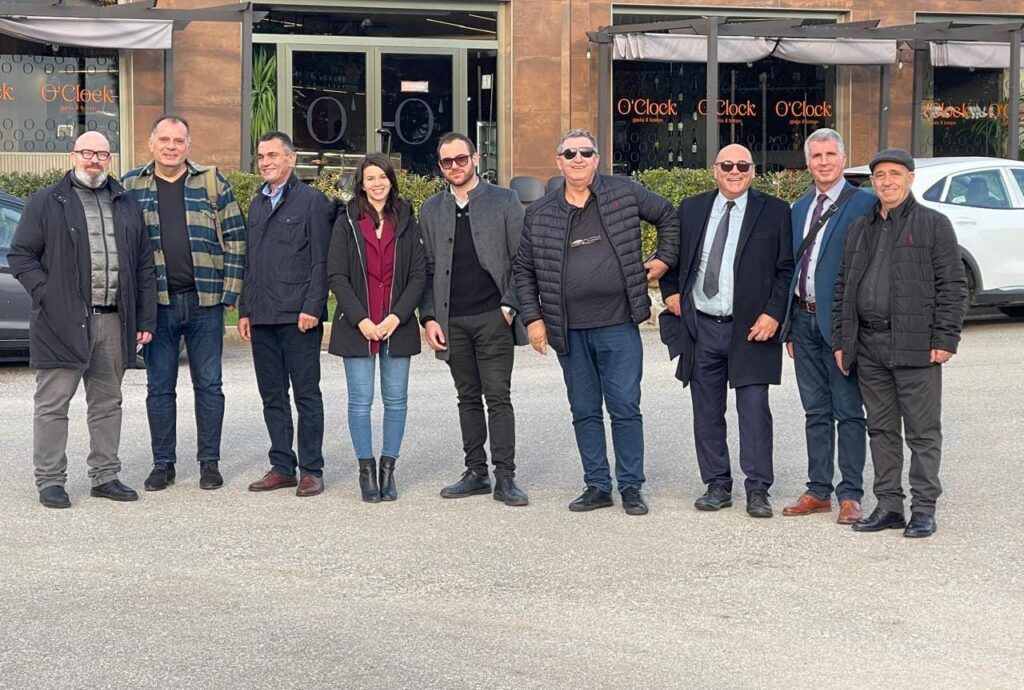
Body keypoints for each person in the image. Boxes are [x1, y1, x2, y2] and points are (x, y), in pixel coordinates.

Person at [514, 128, 678, 516]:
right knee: (584, 409)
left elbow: (668, 215)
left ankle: (631, 486)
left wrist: (664, 259)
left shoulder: (624, 192)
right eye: (569, 153)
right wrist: (533, 319)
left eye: (585, 153)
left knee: (625, 406)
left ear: (597, 159)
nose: (578, 159)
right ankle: (597, 485)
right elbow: (524, 270)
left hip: (618, 323)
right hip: (568, 329)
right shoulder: (540, 212)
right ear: (558, 162)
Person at [9, 131, 156, 508]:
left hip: (113, 320)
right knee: (53, 404)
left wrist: (145, 317)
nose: (94, 160)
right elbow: (21, 256)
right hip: (62, 320)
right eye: (87, 152)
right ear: (73, 155)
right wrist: (47, 293)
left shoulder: (126, 203)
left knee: (107, 403)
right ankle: (50, 480)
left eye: (102, 154)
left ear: (110, 160)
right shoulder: (47, 201)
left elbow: (143, 264)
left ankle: (105, 476)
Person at [833, 148, 967, 538]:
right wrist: (843, 340)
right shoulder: (860, 227)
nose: (886, 181)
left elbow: (953, 286)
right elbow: (843, 286)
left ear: (910, 178)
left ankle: (923, 508)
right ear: (872, 182)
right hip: (869, 344)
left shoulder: (933, 224)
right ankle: (889, 505)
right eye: (879, 175)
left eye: (894, 174)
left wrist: (946, 338)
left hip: (916, 345)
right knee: (881, 429)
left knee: (922, 432)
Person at [659, 144, 793, 518]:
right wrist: (671, 294)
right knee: (706, 411)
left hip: (752, 329)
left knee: (754, 411)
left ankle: (758, 488)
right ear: (715, 170)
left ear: (753, 171)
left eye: (743, 166)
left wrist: (773, 314)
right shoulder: (692, 208)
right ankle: (717, 484)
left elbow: (786, 269)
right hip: (702, 327)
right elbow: (672, 258)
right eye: (728, 165)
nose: (735, 171)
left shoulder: (775, 211)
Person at [121, 115, 246, 492]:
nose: (171, 147)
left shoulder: (211, 181)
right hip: (156, 305)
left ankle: (209, 463)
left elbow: (237, 238)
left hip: (204, 302)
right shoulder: (131, 185)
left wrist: (230, 293)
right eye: (165, 140)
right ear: (151, 143)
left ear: (189, 145)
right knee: (159, 387)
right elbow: (123, 245)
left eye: (178, 141)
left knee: (209, 385)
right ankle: (163, 464)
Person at [418, 132, 529, 507]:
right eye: (447, 162)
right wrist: (429, 316)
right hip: (452, 321)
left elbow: (522, 259)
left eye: (461, 159)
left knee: (498, 397)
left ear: (476, 158)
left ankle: (505, 477)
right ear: (440, 166)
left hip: (494, 316)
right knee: (466, 397)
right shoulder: (431, 210)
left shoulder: (505, 200)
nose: (455, 166)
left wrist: (510, 305)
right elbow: (427, 268)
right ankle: (476, 472)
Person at [780, 129, 876, 524]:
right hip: (802, 320)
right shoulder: (799, 207)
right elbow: (792, 267)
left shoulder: (865, 203)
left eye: (830, 154)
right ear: (808, 162)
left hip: (841, 323)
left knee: (849, 410)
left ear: (843, 158)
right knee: (815, 410)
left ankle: (850, 494)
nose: (823, 162)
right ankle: (818, 490)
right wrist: (788, 326)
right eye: (816, 156)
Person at [327, 153, 426, 502]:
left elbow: (418, 275)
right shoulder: (346, 221)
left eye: (382, 177)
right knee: (360, 401)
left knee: (396, 401)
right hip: (359, 325)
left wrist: (396, 317)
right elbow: (336, 275)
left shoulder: (407, 220)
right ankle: (366, 470)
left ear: (391, 181)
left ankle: (388, 468)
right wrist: (363, 320)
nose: (377, 183)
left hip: (397, 324)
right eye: (370, 178)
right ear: (361, 184)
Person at [239, 132, 333, 497]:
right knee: (272, 395)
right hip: (262, 316)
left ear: (291, 159)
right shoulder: (257, 204)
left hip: (298, 317)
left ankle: (311, 469)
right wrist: (245, 309)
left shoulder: (312, 201)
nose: (265, 162)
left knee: (306, 395)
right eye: (261, 156)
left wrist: (313, 307)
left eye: (273, 155)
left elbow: (321, 260)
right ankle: (282, 466)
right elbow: (250, 261)